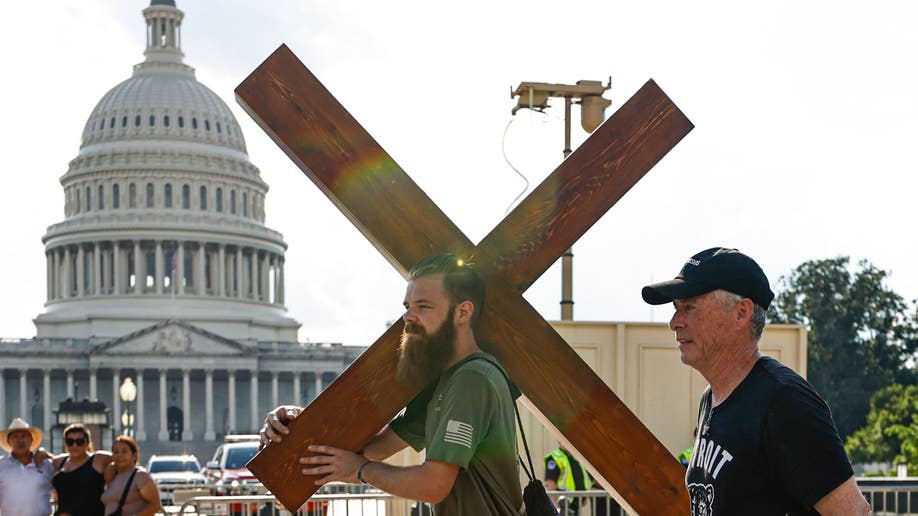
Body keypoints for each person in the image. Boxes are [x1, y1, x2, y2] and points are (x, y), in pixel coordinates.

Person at [261, 253, 523, 514]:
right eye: (407, 306)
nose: (409, 317)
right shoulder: (447, 381)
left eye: (423, 306)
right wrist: (297, 426)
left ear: (462, 312)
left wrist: (359, 470)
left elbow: (433, 485)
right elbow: (377, 447)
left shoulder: (472, 379)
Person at [642, 247, 870, 516]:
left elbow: (853, 513)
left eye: (690, 306)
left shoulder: (784, 401)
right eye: (675, 308)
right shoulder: (711, 398)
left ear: (741, 313)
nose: (674, 322)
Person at [48, 423, 112, 516]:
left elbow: (123, 459)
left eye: (80, 441)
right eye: (70, 441)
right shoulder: (59, 461)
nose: (74, 445)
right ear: (65, 443)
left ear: (88, 442)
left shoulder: (98, 459)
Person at [0, 417, 54, 516]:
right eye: (15, 437)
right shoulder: (1, 465)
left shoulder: (46, 464)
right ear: (9, 441)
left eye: (24, 436)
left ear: (31, 440)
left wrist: (48, 455)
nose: (20, 440)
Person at [100, 436, 162, 516]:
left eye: (124, 451)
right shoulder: (112, 476)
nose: (119, 455)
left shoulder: (140, 476)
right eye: (115, 452)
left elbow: (155, 506)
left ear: (134, 455)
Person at [544, 446, 615, 516]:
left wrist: (584, 497)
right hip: (563, 503)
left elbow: (582, 477)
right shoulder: (556, 457)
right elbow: (550, 483)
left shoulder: (576, 457)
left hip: (575, 502)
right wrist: (557, 507)